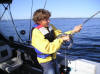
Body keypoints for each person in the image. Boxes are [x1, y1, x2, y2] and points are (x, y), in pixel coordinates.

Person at [31, 9, 82, 74]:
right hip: (45, 61)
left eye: (49, 18)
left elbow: (60, 35)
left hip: (54, 57)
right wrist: (62, 39)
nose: (49, 21)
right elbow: (47, 48)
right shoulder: (36, 32)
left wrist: (73, 31)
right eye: (46, 19)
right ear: (39, 21)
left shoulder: (50, 26)